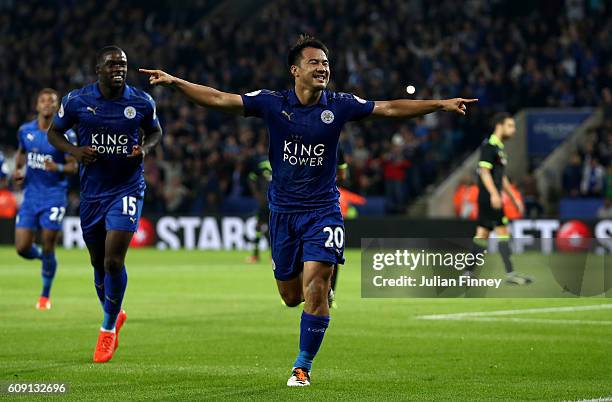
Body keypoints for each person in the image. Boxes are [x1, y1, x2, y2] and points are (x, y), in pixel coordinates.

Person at [140, 34, 476, 386]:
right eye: (314, 62)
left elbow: (389, 108)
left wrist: (440, 104)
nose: (322, 68)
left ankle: (302, 367)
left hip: (323, 210)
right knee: (290, 296)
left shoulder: (340, 105)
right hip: (283, 212)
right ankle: (321, 286)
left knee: (315, 287)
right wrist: (177, 82)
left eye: (326, 63)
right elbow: (220, 99)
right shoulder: (272, 103)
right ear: (295, 70)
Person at [47, 46, 163, 363]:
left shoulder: (141, 101)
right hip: (92, 193)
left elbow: (155, 131)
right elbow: (53, 133)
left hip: (127, 188)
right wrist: (74, 151)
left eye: (123, 64)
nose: (119, 68)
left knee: (114, 261)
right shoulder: (77, 101)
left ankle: (107, 328)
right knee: (98, 263)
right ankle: (115, 311)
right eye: (112, 64)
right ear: (98, 68)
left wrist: (145, 149)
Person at [13, 88, 78, 309]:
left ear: (57, 106)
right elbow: (21, 154)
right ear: (37, 105)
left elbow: (74, 165)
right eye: (43, 101)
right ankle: (44, 259)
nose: (47, 104)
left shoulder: (66, 134)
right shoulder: (25, 131)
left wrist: (58, 166)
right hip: (30, 196)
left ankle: (44, 296)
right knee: (22, 248)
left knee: (49, 240)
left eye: (52, 101)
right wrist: (18, 171)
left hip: (54, 196)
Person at [463, 113, 531, 284]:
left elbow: (501, 177)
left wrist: (514, 198)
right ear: (499, 126)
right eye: (510, 126)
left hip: (492, 197)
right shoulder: (489, 146)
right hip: (489, 197)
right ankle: (509, 274)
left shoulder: (499, 148)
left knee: (485, 234)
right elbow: (484, 172)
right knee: (499, 232)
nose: (513, 130)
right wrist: (494, 194)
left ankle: (468, 273)